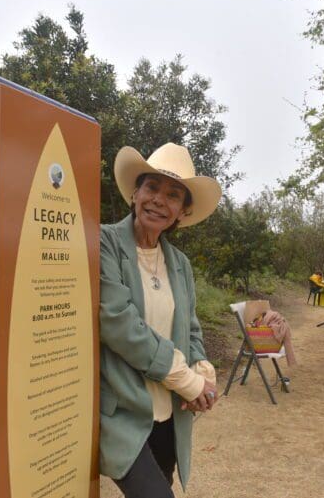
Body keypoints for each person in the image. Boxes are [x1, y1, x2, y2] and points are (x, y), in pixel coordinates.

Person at [99, 143, 222, 497]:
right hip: (124, 411)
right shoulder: (106, 243)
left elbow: (191, 327)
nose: (158, 200)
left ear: (182, 212)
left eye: (172, 195)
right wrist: (186, 379)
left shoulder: (179, 263)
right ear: (135, 194)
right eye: (151, 187)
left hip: (170, 414)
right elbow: (118, 322)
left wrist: (200, 369)